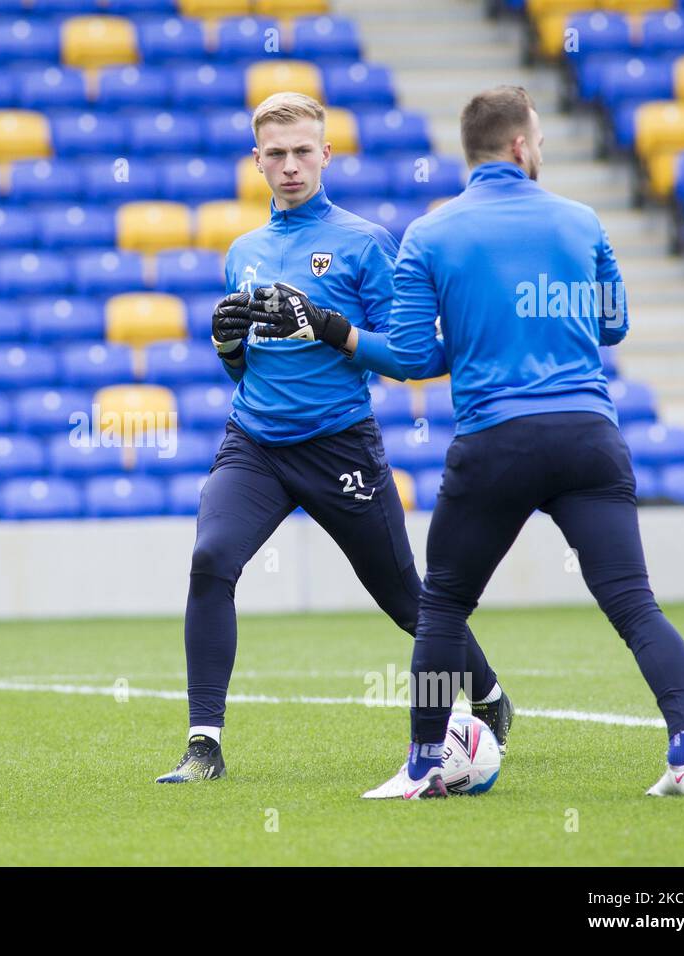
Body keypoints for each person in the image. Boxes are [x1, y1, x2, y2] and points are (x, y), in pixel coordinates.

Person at [363, 86, 684, 799]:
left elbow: (404, 357)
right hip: (589, 436)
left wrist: (348, 336)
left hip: (497, 441)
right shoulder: (581, 221)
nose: (543, 151)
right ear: (521, 147)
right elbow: (613, 326)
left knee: (443, 609)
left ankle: (426, 763)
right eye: (542, 142)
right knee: (634, 603)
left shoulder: (431, 234)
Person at [154, 92, 512, 784]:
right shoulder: (243, 252)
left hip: (340, 445)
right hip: (255, 442)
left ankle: (489, 696)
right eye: (276, 155)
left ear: (326, 155)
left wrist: (321, 321)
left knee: (409, 600)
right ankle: (204, 746)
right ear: (257, 162)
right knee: (210, 560)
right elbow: (241, 366)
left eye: (302, 152)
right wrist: (227, 344)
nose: (290, 166)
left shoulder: (365, 242)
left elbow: (405, 356)